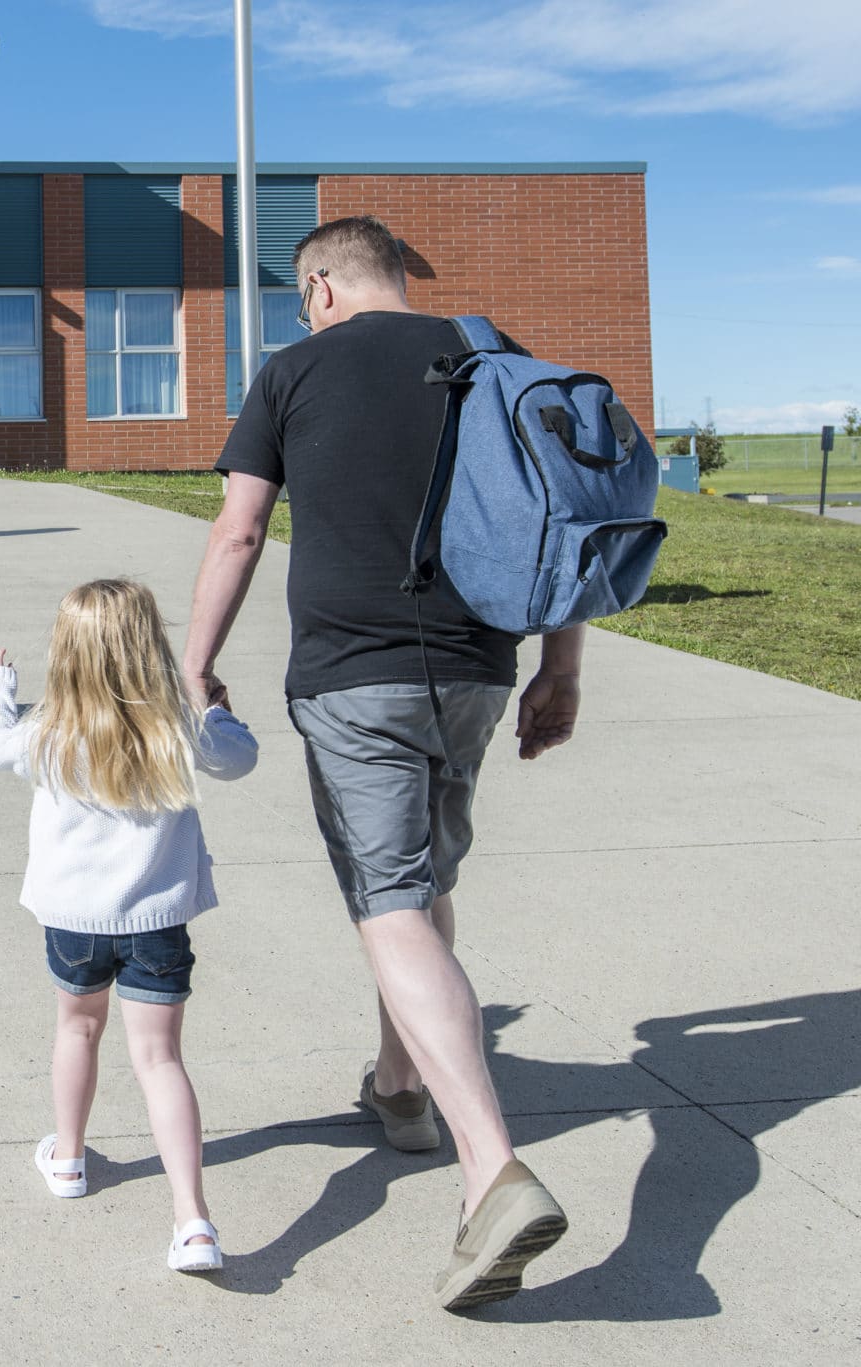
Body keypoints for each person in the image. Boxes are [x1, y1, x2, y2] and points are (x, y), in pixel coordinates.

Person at [181, 215, 580, 1311]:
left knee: (388, 899)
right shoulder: (490, 355)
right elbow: (559, 520)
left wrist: (194, 661)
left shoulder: (294, 368)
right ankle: (399, 1088)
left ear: (317, 285)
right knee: (423, 882)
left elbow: (237, 530)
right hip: (475, 668)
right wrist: (562, 670)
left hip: (355, 673)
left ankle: (488, 1168)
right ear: (396, 278)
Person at [0, 579, 258, 1274]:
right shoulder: (176, 729)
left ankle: (68, 1156)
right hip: (157, 923)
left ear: (65, 655)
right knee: (160, 1059)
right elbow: (241, 757)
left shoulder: (48, 733)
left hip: (73, 920)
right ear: (150, 648)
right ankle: (193, 1221)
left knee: (77, 1029)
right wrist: (215, 711)